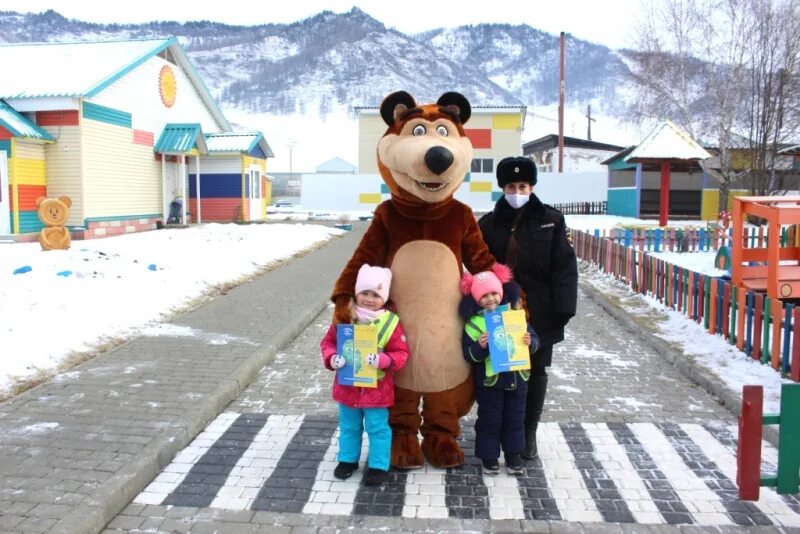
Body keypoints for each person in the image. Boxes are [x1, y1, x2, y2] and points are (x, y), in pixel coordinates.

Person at [477, 156, 578, 461]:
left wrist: (562, 311)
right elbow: (478, 267)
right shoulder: (487, 224)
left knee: (535, 372)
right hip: (499, 311)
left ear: (532, 186)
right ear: (502, 187)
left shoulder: (551, 219)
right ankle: (499, 430)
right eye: (511, 185)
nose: (517, 190)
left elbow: (565, 267)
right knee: (498, 371)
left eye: (522, 185)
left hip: (540, 312)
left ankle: (527, 433)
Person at [320, 264, 410, 486]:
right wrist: (332, 357)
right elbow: (328, 343)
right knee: (349, 426)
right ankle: (348, 460)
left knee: (377, 427)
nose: (369, 299)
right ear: (356, 293)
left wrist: (383, 360)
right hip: (348, 388)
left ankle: (379, 465)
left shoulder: (390, 322)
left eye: (376, 295)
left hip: (377, 390)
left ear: (384, 297)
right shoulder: (344, 317)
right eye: (365, 293)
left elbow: (401, 353)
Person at [459, 266, 540, 475]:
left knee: (515, 418)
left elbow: (535, 340)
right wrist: (480, 346)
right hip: (490, 383)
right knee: (490, 420)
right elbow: (469, 355)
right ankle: (489, 457)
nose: (491, 299)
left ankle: (514, 455)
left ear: (502, 292)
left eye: (494, 293)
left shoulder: (515, 315)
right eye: (484, 296)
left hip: (517, 379)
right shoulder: (474, 324)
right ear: (477, 299)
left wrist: (530, 342)